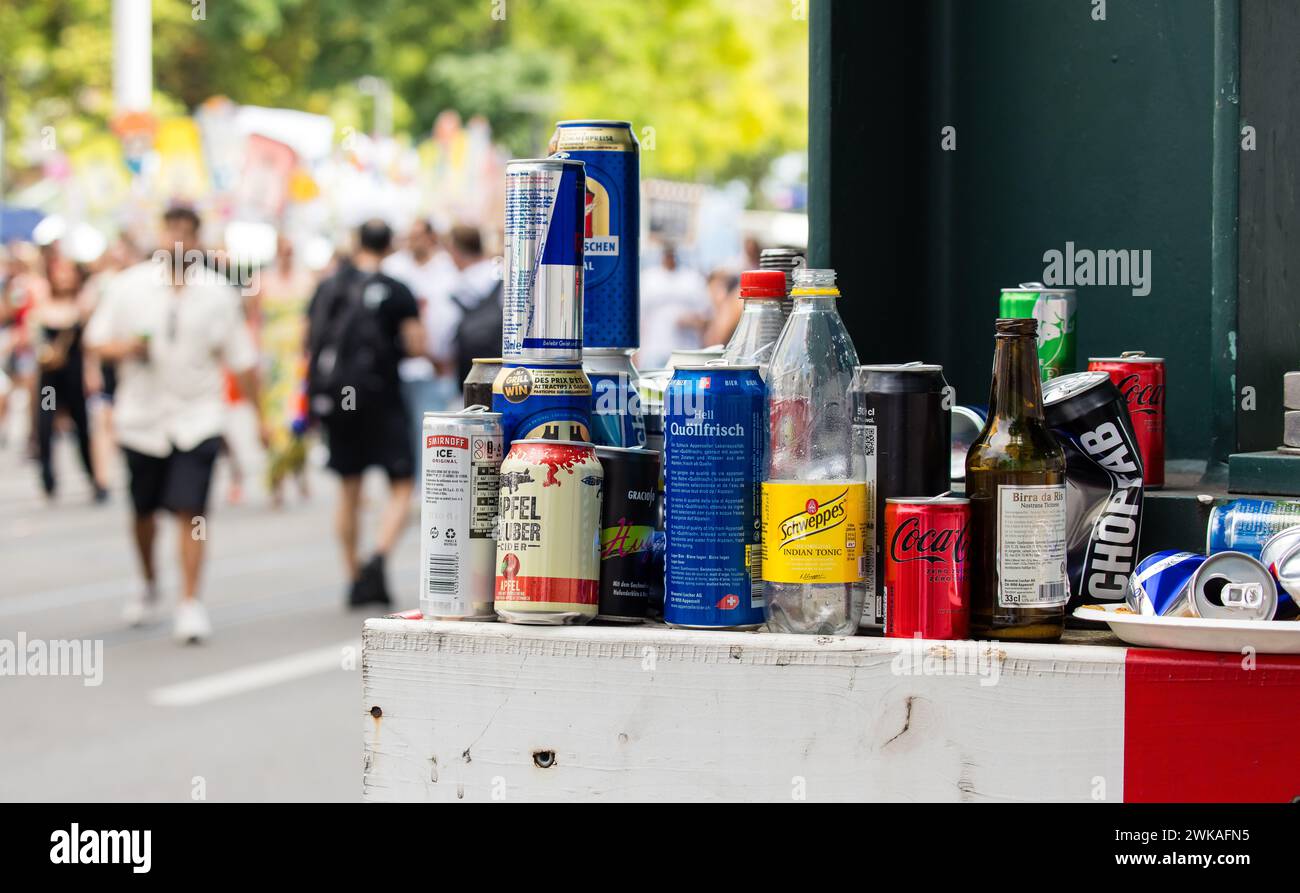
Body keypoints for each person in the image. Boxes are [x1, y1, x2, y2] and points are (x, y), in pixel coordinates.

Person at [85, 206, 267, 642]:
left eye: (188, 232)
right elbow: (95, 341)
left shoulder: (218, 293)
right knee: (143, 511)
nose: (179, 240)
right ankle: (149, 582)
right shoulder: (129, 286)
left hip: (198, 417)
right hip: (143, 419)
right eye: (172, 231)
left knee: (192, 510)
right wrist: (126, 348)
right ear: (161, 235)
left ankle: (189, 601)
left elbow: (242, 360)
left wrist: (261, 419)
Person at [307, 219, 425, 607]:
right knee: (402, 484)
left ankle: (354, 575)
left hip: (340, 398)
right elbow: (415, 344)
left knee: (348, 488)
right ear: (390, 246)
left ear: (356, 243)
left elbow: (308, 342)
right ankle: (378, 558)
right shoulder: (397, 291)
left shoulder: (328, 286)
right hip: (381, 396)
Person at [31, 253, 104, 501]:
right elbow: (34, 339)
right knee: (44, 425)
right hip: (49, 379)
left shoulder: (82, 307)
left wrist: (91, 373)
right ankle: (48, 477)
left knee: (82, 427)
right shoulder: (43, 306)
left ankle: (94, 477)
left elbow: (89, 346)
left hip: (73, 375)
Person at [382, 219, 458, 449]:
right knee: (400, 434)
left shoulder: (448, 268)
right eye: (409, 236)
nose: (413, 242)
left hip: (439, 368)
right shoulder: (393, 267)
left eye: (418, 236)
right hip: (400, 366)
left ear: (431, 237)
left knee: (432, 435)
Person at [251, 235, 315, 507]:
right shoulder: (261, 281)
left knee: (298, 420)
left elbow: (314, 319)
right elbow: (253, 321)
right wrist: (256, 357)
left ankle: (299, 470)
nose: (286, 255)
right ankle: (275, 479)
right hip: (273, 360)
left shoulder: (307, 280)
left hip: (299, 360)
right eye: (282, 251)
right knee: (276, 424)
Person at [637, 242, 712, 369]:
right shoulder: (648, 279)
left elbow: (707, 317)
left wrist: (691, 321)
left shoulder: (692, 279)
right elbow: (639, 320)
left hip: (687, 354)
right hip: (654, 353)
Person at [444, 224, 501, 387]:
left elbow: (443, 338)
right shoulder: (502, 274)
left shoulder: (456, 285)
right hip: (502, 369)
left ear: (455, 250)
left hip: (469, 372)